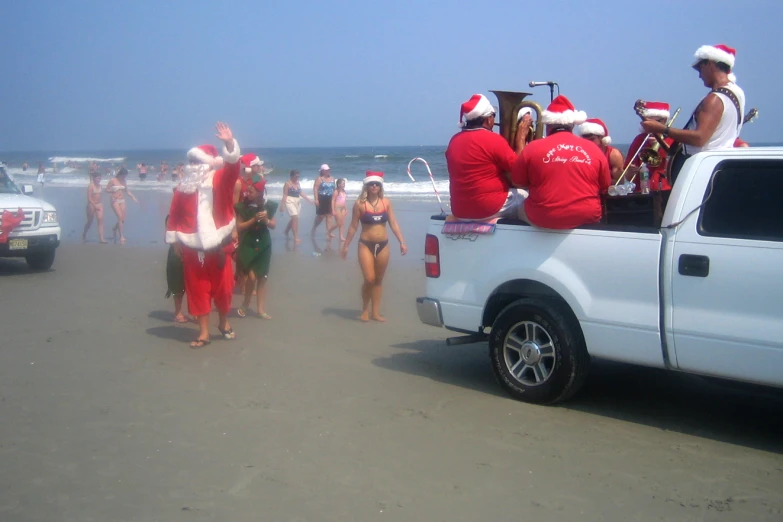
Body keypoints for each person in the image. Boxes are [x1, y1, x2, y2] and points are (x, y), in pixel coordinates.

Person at [165, 122, 241, 348]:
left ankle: (224, 323)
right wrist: (175, 240)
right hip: (192, 249)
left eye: (197, 161)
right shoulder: (183, 186)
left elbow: (232, 168)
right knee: (198, 292)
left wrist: (229, 143)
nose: (193, 165)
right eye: (191, 161)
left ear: (208, 163)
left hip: (218, 247)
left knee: (224, 290)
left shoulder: (220, 180)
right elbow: (174, 214)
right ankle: (204, 333)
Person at [642, 44, 745, 181]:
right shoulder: (737, 93)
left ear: (710, 64)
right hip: (717, 165)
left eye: (700, 68)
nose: (699, 75)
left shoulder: (714, 99)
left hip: (701, 169)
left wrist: (662, 129)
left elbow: (700, 138)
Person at [511, 95, 611, 229]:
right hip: (587, 216)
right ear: (572, 125)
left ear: (548, 125)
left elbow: (518, 182)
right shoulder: (594, 149)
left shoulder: (532, 148)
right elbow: (605, 184)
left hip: (543, 217)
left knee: (518, 206)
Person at [445, 93, 530, 220]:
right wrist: (521, 138)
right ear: (488, 119)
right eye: (493, 116)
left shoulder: (454, 140)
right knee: (527, 196)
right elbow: (520, 170)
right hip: (488, 208)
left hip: (459, 210)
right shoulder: (493, 140)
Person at [341, 172, 407, 322]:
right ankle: (365, 310)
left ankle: (375, 313)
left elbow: (393, 223)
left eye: (377, 184)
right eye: (371, 184)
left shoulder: (386, 202)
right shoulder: (359, 204)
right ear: (367, 186)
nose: (374, 186)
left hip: (383, 245)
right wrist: (345, 246)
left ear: (380, 186)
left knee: (378, 279)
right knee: (369, 279)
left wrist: (402, 242)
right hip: (365, 244)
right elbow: (352, 226)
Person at [235, 178, 277, 319]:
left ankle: (260, 310)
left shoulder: (268, 206)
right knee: (251, 277)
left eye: (251, 191)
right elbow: (239, 226)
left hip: (264, 244)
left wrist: (265, 220)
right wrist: (253, 220)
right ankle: (246, 304)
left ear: (259, 193)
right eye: (248, 190)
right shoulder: (243, 207)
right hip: (248, 244)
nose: (247, 193)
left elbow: (273, 225)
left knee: (263, 278)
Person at [624, 101, 673, 191]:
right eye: (648, 121)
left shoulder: (673, 139)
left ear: (665, 120)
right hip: (642, 192)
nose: (652, 125)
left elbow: (678, 165)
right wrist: (630, 172)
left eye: (656, 121)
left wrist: (662, 144)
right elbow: (628, 176)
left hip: (667, 191)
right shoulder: (639, 140)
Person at [578, 118, 625, 182]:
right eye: (586, 140)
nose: (589, 143)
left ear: (602, 138)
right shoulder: (579, 153)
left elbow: (619, 181)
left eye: (592, 139)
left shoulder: (613, 154)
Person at [164, 214, 188, 323]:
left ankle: (196, 311)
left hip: (192, 251)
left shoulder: (194, 215)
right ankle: (178, 311)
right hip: (176, 252)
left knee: (193, 285)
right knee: (177, 285)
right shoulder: (172, 217)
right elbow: (168, 237)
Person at [105, 167, 137, 243]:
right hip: (114, 200)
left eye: (125, 176)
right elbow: (106, 189)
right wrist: (112, 190)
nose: (124, 177)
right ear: (120, 174)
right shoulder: (113, 180)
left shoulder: (124, 181)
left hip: (122, 200)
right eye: (123, 175)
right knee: (119, 217)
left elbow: (126, 191)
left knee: (123, 219)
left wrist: (133, 197)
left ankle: (114, 229)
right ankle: (121, 236)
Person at [280, 169, 313, 244]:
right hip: (289, 200)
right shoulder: (287, 184)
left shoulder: (298, 183)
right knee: (294, 217)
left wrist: (309, 200)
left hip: (297, 201)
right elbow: (285, 195)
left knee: (294, 218)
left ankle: (286, 231)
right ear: (292, 176)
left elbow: (300, 193)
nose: (297, 178)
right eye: (296, 176)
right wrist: (282, 205)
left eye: (298, 176)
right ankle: (295, 237)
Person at [312, 164, 336, 239]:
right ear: (322, 171)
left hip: (330, 198)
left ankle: (328, 232)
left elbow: (334, 189)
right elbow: (315, 189)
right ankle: (314, 228)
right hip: (321, 198)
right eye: (326, 170)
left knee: (329, 216)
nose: (328, 171)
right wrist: (316, 199)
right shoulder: (319, 179)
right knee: (321, 216)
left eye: (328, 170)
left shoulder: (332, 178)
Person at [82, 171, 106, 243]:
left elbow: (100, 196)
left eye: (100, 178)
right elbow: (89, 198)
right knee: (90, 221)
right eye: (98, 178)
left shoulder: (100, 186)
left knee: (100, 220)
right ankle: (84, 234)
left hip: (99, 204)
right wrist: (94, 206)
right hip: (91, 204)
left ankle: (101, 238)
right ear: (94, 179)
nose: (99, 180)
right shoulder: (91, 186)